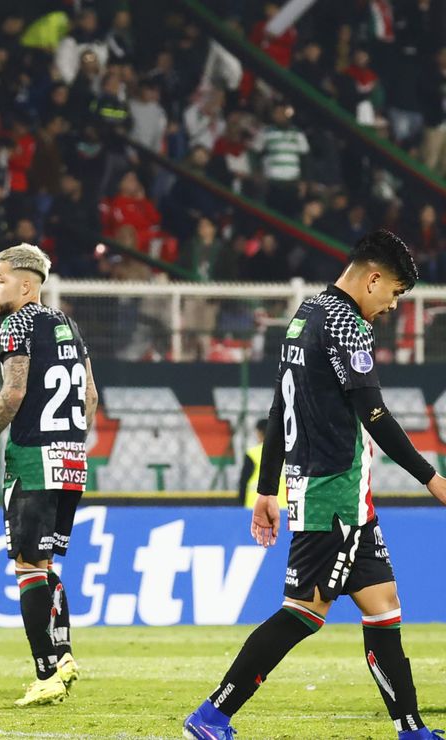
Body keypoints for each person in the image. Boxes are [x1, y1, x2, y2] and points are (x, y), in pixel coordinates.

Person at [183, 231, 446, 740]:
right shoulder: (348, 324)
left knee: (383, 603)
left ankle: (410, 727)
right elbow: (374, 413)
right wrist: (432, 477)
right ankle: (213, 713)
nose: (391, 306)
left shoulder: (306, 313)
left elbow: (279, 408)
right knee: (303, 612)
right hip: (335, 492)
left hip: (334, 492)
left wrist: (266, 489)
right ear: (372, 278)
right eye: (392, 293)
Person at [0, 243, 98, 708]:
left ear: (27, 285)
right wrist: (69, 437)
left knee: (27, 567)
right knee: (46, 567)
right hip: (70, 459)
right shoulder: (67, 324)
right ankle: (62, 656)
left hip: (33, 458)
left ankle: (45, 672)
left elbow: (14, 390)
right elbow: (89, 395)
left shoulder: (17, 323)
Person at [239, 418, 287, 509]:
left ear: (259, 433)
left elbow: (243, 481)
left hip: (256, 507)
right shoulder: (287, 452)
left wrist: (241, 503)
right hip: (284, 506)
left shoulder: (253, 453)